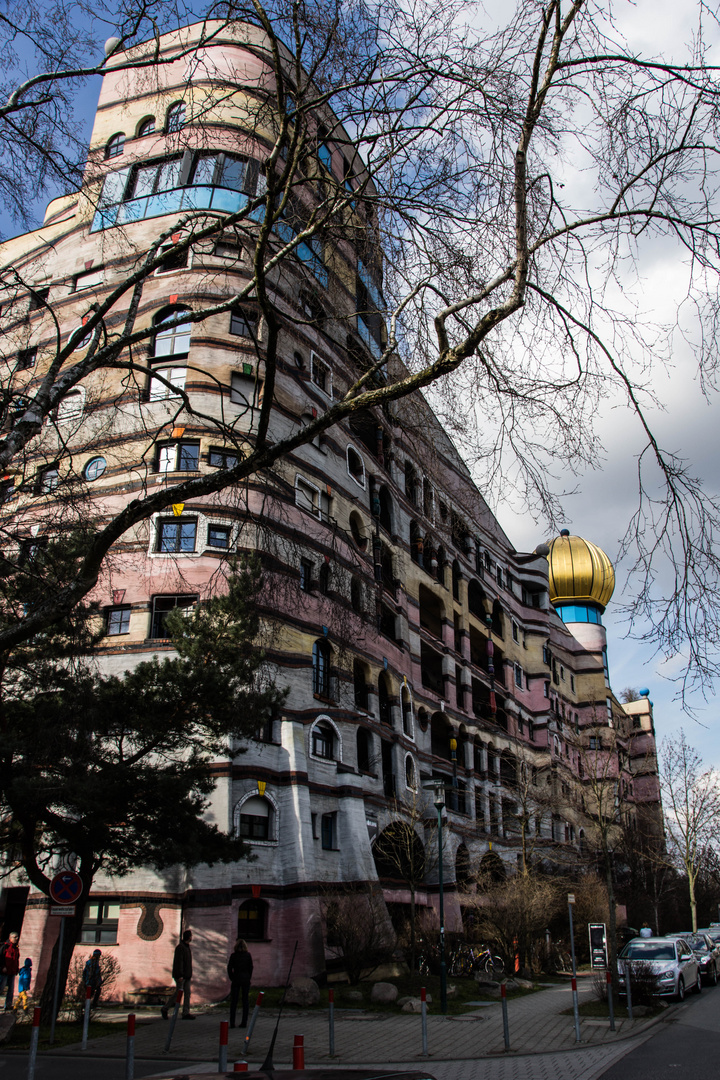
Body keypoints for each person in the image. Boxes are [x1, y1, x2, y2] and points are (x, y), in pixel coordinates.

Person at [162, 929, 194, 1020]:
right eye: (191, 936)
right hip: (181, 975)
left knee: (187, 993)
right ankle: (165, 1008)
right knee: (178, 993)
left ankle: (186, 1012)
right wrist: (180, 975)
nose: (192, 937)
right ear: (188, 937)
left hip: (187, 975)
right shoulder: (181, 948)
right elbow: (178, 962)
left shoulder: (187, 947)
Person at [227, 938, 253, 1028]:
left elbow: (229, 968)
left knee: (234, 1001)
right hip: (245, 979)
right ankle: (244, 1022)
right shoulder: (248, 955)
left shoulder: (234, 956)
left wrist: (232, 977)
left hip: (236, 979)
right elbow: (251, 968)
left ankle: (232, 1022)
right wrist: (248, 977)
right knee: (245, 1001)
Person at [0, 933, 20, 1011]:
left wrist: (17, 968)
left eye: (17, 937)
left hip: (12, 971)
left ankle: (8, 1005)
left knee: (11, 989)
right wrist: (2, 966)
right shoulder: (5, 946)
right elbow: (1, 957)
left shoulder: (16, 948)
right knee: (1, 988)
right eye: (14, 937)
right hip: (4, 971)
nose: (16, 938)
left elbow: (16, 959)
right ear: (10, 938)